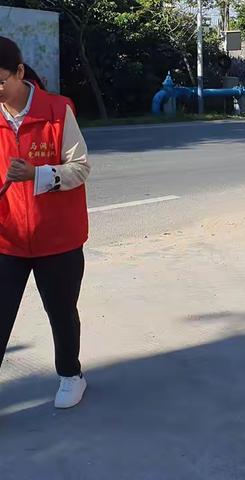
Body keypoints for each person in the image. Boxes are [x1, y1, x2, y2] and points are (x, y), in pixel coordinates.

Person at [0, 36, 90, 406]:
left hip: (59, 239)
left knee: (61, 311)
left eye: (0, 80)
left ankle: (71, 375)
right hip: (7, 240)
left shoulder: (57, 110)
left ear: (20, 72)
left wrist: (38, 175)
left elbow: (80, 168)